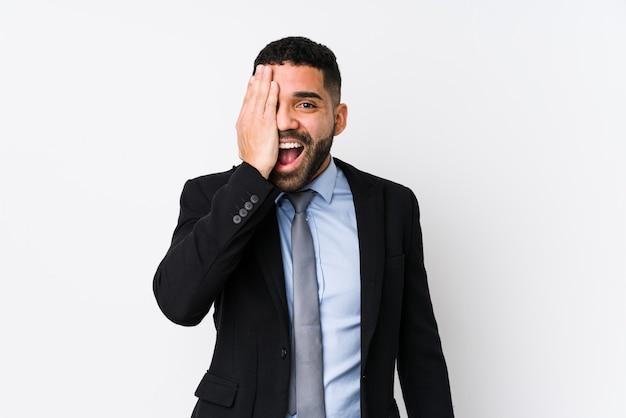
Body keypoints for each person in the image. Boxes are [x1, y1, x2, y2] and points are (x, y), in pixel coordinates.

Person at [153, 36, 454, 418]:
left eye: (306, 104)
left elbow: (419, 350)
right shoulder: (213, 197)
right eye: (270, 106)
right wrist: (251, 177)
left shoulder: (392, 206)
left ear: (338, 118)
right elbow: (178, 303)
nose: (284, 121)